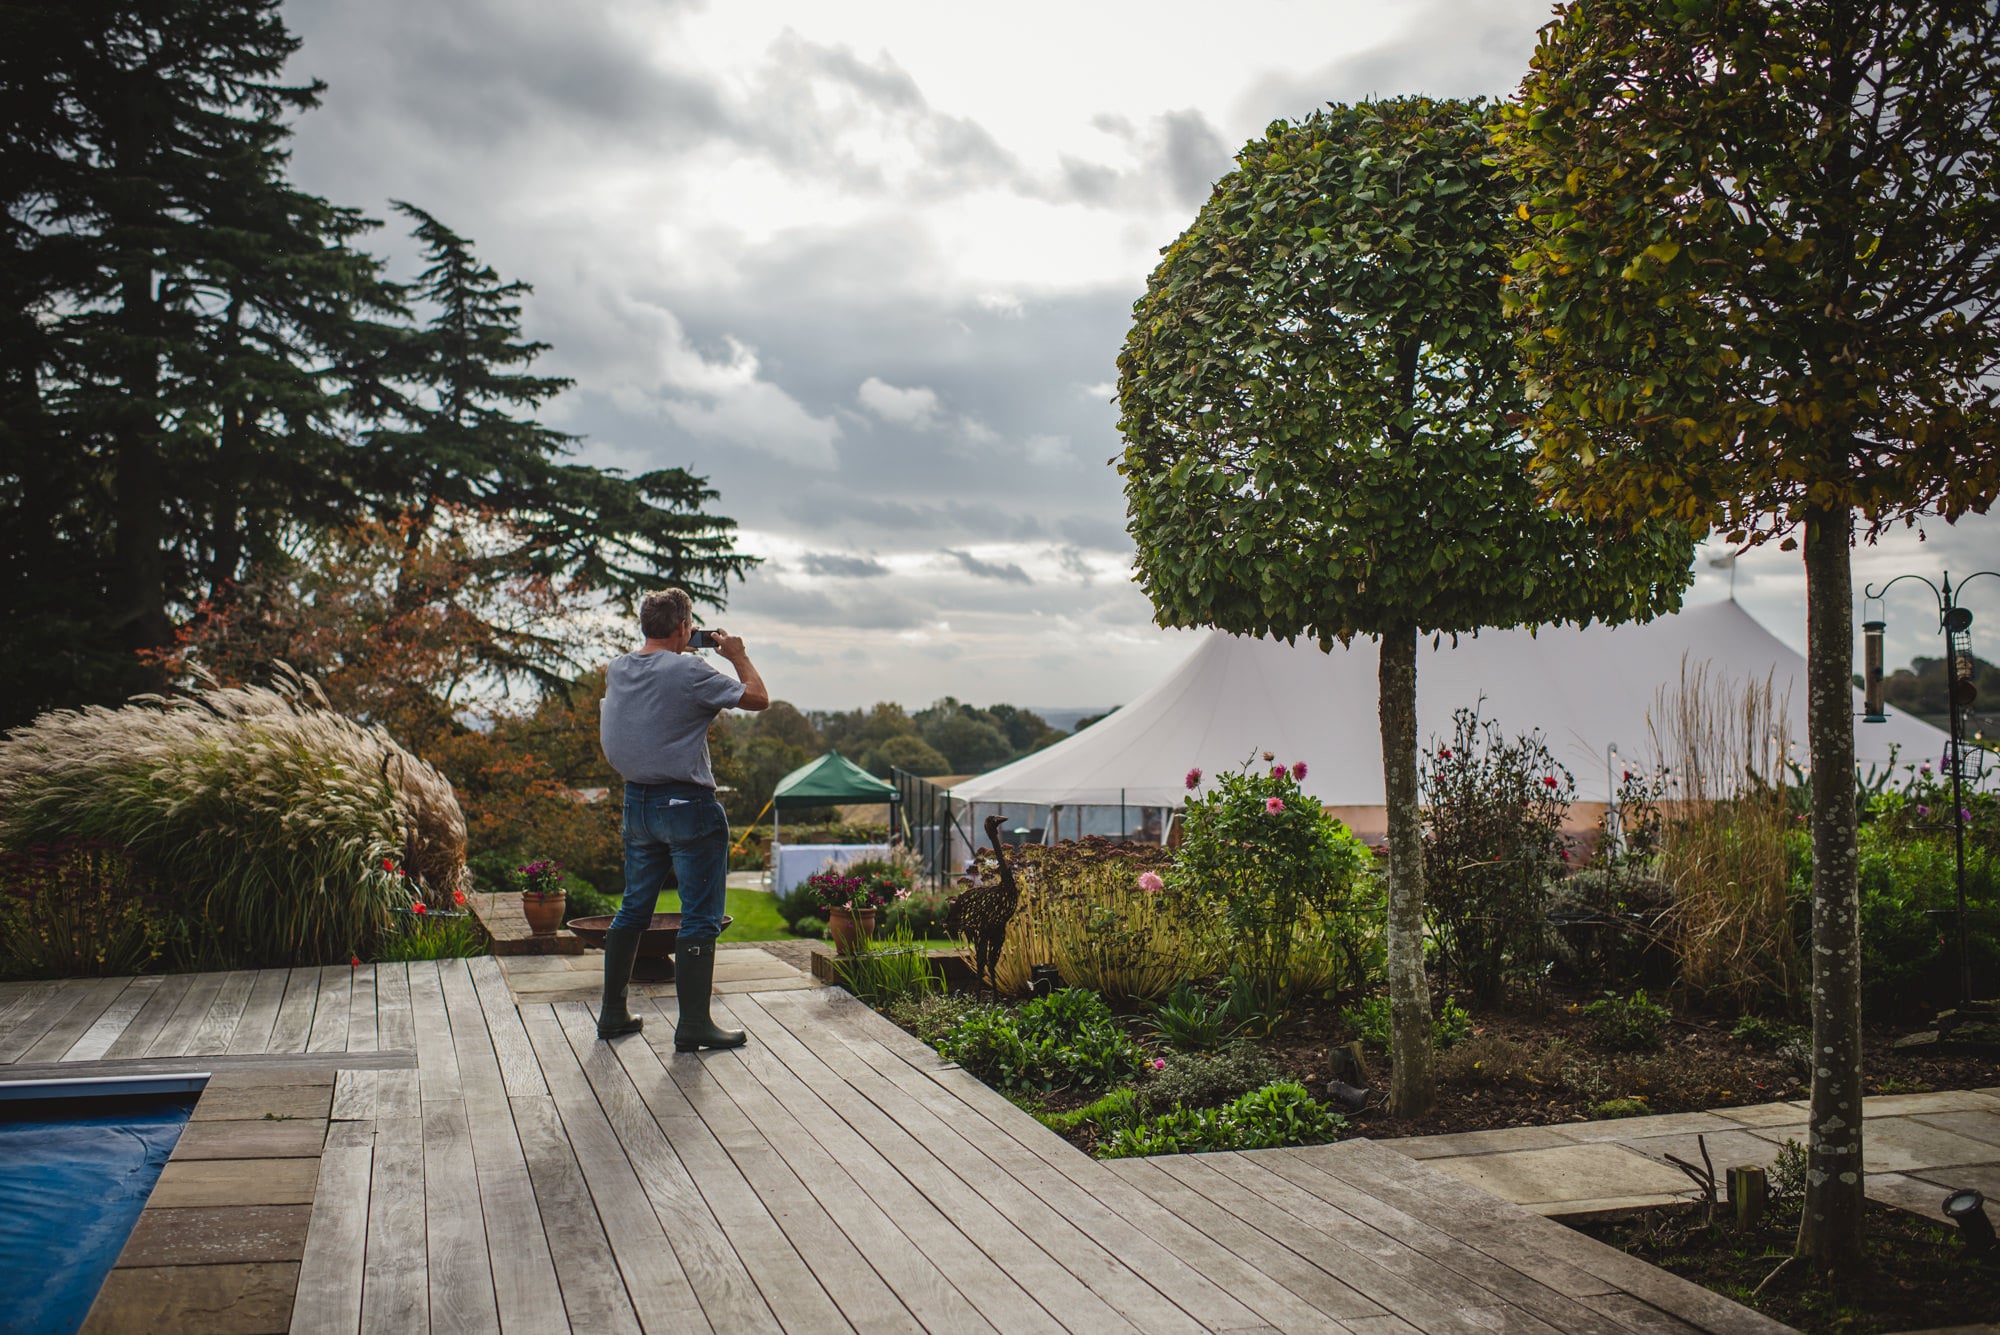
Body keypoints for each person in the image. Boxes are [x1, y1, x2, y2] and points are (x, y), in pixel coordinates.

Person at [597, 588, 769, 1047]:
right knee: (700, 917)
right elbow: (757, 698)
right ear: (681, 627)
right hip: (687, 807)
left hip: (637, 803)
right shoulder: (691, 669)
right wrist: (736, 654)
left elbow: (653, 688)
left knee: (633, 909)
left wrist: (678, 649)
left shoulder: (619, 668)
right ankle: (693, 1025)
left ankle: (613, 1014)